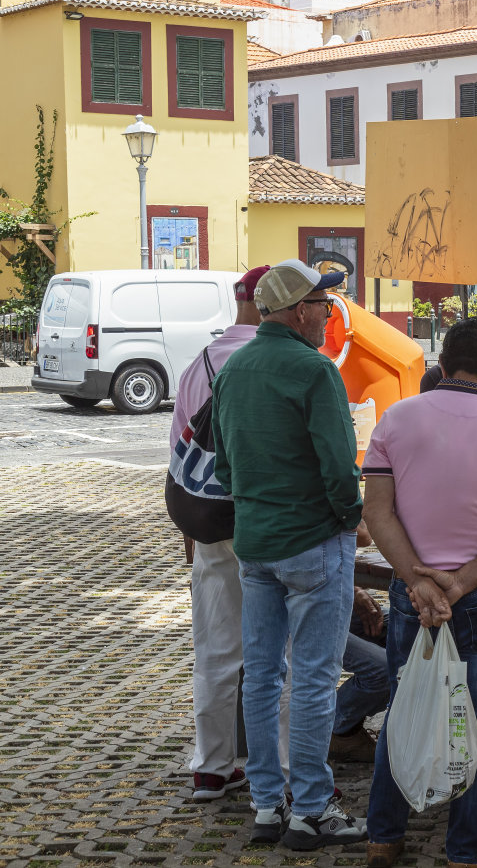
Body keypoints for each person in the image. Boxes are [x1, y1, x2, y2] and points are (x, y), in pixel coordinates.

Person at [360, 318, 477, 868]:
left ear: (443, 363)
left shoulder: (396, 419)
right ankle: (464, 853)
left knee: (403, 711)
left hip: (410, 595)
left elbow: (377, 512)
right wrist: (462, 582)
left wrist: (420, 580)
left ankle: (383, 839)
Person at [212, 258, 367, 850]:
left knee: (262, 679)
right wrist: (352, 518)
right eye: (325, 306)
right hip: (313, 541)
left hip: (256, 543)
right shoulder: (314, 371)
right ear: (300, 310)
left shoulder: (235, 366)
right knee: (312, 678)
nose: (330, 316)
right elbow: (338, 467)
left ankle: (266, 805)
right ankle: (310, 810)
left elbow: (224, 465)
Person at [165, 264, 270, 801]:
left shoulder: (199, 363)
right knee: (283, 653)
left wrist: (191, 532)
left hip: (209, 523)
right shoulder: (289, 361)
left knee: (215, 646)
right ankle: (282, 775)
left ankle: (211, 765)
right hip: (272, 524)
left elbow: (181, 456)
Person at [329, 585, 389, 763]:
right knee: (384, 670)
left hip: (333, 600)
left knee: (405, 624)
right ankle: (339, 731)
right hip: (307, 610)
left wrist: (352, 590)